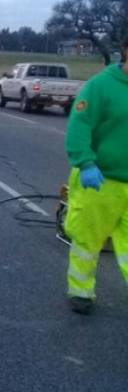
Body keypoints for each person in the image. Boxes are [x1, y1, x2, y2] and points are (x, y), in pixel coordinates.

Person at [64, 35, 128, 315]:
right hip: (102, 180)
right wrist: (86, 163)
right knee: (88, 241)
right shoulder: (101, 87)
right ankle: (81, 292)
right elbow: (80, 126)